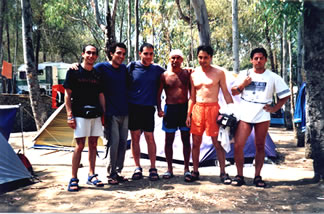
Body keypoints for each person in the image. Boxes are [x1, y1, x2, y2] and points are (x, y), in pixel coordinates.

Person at [231, 47, 290, 187]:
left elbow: (285, 95)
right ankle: (239, 175)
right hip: (245, 112)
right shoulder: (245, 74)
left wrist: (275, 108)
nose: (258, 61)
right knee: (239, 145)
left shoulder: (273, 77)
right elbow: (234, 92)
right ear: (251, 60)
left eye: (261, 58)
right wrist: (243, 84)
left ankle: (257, 176)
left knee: (260, 145)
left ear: (265, 60)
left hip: (263, 113)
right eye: (255, 58)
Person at [186, 45, 234, 183]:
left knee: (217, 142)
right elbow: (192, 97)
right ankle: (195, 171)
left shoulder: (219, 73)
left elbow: (225, 92)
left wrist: (233, 111)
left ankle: (223, 173)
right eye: (200, 57)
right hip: (198, 109)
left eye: (206, 57)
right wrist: (188, 114)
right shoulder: (193, 74)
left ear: (211, 57)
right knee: (195, 142)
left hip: (213, 109)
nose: (203, 60)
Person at [64, 44, 105, 191]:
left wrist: (103, 114)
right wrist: (70, 115)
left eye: (94, 53)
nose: (91, 56)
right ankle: (74, 178)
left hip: (95, 114)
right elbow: (67, 95)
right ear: (82, 54)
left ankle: (91, 175)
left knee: (93, 144)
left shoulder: (97, 74)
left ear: (97, 56)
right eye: (88, 53)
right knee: (80, 145)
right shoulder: (73, 72)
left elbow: (101, 95)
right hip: (79, 114)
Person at [127, 43, 165, 181]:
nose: (148, 56)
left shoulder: (157, 70)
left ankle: (153, 168)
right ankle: (137, 167)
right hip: (134, 108)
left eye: (151, 54)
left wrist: (189, 70)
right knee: (135, 137)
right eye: (146, 53)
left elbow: (173, 73)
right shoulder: (131, 67)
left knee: (150, 137)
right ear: (140, 53)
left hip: (149, 108)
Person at [94, 43, 129, 185]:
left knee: (122, 143)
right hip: (110, 113)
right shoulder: (101, 68)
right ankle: (111, 173)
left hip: (125, 111)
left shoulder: (124, 70)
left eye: (123, 54)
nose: (121, 56)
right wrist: (74, 65)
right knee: (112, 143)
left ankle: (118, 171)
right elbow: (85, 69)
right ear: (111, 53)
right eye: (118, 53)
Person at [157, 49, 191, 181]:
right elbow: (158, 94)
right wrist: (159, 109)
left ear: (182, 60)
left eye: (178, 58)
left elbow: (191, 93)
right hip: (170, 109)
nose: (175, 60)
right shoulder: (164, 75)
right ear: (169, 59)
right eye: (173, 58)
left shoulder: (187, 74)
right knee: (169, 140)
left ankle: (187, 169)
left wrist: (190, 112)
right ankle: (169, 169)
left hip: (184, 109)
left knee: (186, 139)